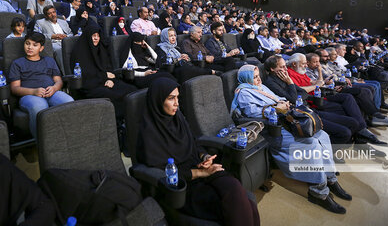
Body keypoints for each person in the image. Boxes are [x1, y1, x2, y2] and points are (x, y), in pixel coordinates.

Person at [136, 78, 260, 225]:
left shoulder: (177, 118)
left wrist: (204, 156)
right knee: (244, 207)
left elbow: (193, 141)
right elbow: (164, 175)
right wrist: (200, 173)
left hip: (201, 168)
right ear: (158, 101)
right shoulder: (148, 133)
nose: (177, 103)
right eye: (171, 98)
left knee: (235, 188)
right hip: (182, 187)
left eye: (177, 97)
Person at [231, 65, 351, 214]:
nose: (259, 78)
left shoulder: (261, 87)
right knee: (311, 143)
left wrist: (284, 103)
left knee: (322, 136)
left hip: (285, 121)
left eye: (258, 75)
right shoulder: (244, 92)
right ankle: (318, 191)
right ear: (246, 79)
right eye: (254, 77)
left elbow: (278, 98)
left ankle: (330, 178)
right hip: (271, 128)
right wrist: (275, 109)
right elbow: (251, 112)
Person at [9, 32, 74, 138]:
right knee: (39, 106)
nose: (30, 47)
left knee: (69, 102)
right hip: (29, 96)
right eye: (27, 43)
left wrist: (54, 88)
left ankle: (67, 137)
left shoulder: (49, 61)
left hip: (51, 92)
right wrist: (33, 91)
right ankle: (41, 142)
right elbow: (14, 88)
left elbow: (59, 81)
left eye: (35, 45)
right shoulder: (17, 63)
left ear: (41, 48)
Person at [69, 25, 137, 117]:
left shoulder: (101, 49)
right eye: (93, 36)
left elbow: (110, 70)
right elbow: (84, 75)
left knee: (131, 90)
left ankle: (131, 120)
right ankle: (116, 123)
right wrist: (105, 76)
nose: (96, 38)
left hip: (106, 81)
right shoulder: (79, 52)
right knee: (114, 96)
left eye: (98, 36)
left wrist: (110, 80)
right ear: (88, 36)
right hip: (90, 85)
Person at [34, 5, 73, 74]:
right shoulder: (40, 22)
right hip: (53, 43)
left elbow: (71, 33)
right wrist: (52, 36)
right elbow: (37, 35)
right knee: (59, 50)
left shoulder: (63, 22)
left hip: (66, 41)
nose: (53, 15)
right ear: (46, 16)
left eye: (54, 12)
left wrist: (66, 36)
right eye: (49, 13)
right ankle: (66, 75)